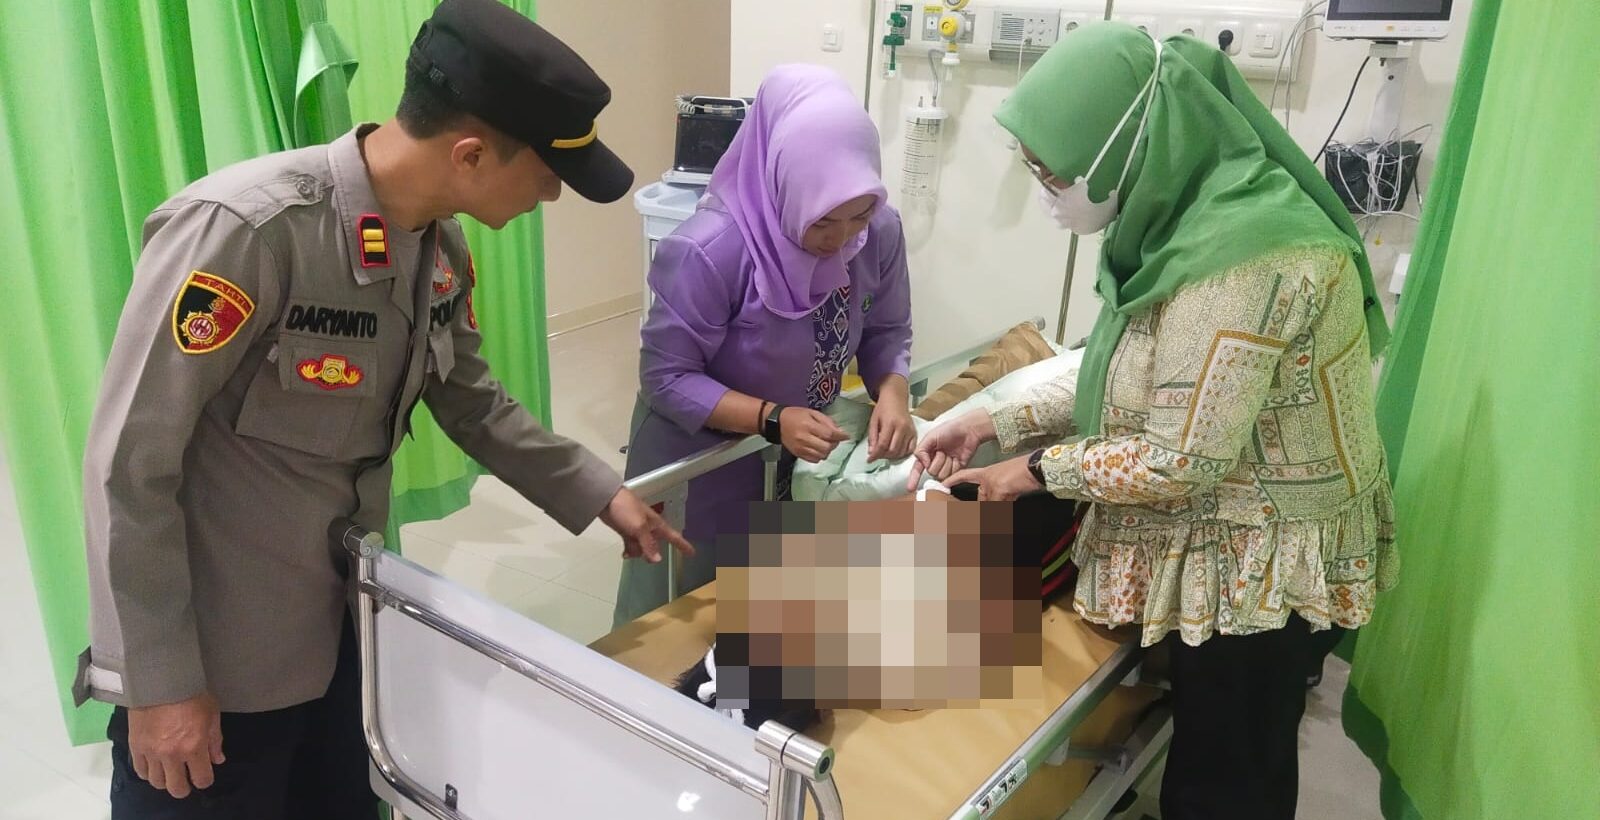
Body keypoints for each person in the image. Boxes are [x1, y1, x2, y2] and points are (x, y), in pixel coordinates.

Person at [74, 0, 691, 815]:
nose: (550, 195)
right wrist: (157, 683)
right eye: (547, 173)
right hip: (220, 672)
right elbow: (127, 464)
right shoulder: (250, 233)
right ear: (471, 155)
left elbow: (470, 399)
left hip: (343, 634)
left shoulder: (438, 248)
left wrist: (598, 492)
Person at [910, 22, 1397, 820]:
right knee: (1224, 752)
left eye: (1051, 171)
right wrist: (994, 420)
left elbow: (1180, 459)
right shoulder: (1183, 224)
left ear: (1121, 147)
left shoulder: (1242, 261)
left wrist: (1032, 470)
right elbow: (1131, 373)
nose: (1046, 190)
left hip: (1262, 563)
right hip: (1230, 527)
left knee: (1225, 781)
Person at [613, 64, 916, 626]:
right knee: (680, 618)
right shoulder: (709, 251)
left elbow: (886, 328)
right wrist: (771, 418)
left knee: (768, 615)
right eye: (822, 222)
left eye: (859, 214)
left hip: (797, 454)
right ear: (782, 184)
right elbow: (666, 378)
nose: (842, 239)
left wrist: (893, 395)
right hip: (701, 460)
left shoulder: (878, 232)